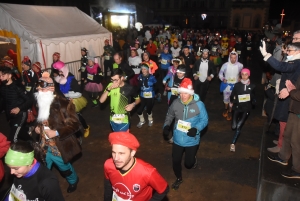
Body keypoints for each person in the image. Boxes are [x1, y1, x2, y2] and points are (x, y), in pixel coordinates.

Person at [34, 72, 80, 193]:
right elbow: (42, 119)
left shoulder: (64, 104)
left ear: (51, 88)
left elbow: (75, 124)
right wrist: (38, 128)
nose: (38, 89)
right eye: (38, 86)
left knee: (65, 168)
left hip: (58, 147)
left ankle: (74, 181)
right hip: (44, 145)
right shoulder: (41, 101)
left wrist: (57, 133)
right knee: (43, 168)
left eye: (41, 87)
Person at [163, 78, 208, 190]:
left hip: (191, 139)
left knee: (189, 164)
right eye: (181, 93)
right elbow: (169, 115)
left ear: (191, 93)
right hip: (178, 138)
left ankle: (193, 159)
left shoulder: (199, 105)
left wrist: (196, 129)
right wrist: (166, 126)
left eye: (186, 93)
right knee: (176, 160)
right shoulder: (175, 103)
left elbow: (204, 120)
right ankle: (179, 178)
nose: (183, 95)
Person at [104, 131, 169, 201]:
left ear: (132, 153)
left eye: (121, 153)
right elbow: (108, 187)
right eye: (114, 152)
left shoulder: (147, 172)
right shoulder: (108, 165)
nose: (116, 158)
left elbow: (164, 189)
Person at [267, 77, 300, 179]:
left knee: (296, 141)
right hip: (295, 109)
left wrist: (291, 90)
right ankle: (283, 157)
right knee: (287, 134)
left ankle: (297, 169)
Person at [52, 61, 90, 138]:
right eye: (58, 71)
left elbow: (79, 93)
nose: (60, 73)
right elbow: (59, 86)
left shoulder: (72, 79)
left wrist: (68, 95)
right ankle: (73, 132)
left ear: (64, 70)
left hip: (73, 100)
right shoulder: (61, 78)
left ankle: (86, 127)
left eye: (61, 71)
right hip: (64, 101)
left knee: (77, 116)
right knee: (67, 117)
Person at [0, 67, 33, 142]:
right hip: (10, 116)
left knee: (12, 138)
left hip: (20, 114)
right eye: (0, 76)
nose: (1, 78)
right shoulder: (2, 88)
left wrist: (19, 108)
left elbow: (29, 100)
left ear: (9, 75)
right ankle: (33, 144)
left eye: (3, 76)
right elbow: (3, 102)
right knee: (21, 133)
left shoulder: (17, 87)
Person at [229, 68, 255, 152]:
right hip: (237, 107)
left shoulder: (252, 86)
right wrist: (232, 101)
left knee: (239, 126)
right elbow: (232, 95)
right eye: (242, 74)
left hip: (246, 108)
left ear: (249, 75)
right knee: (234, 126)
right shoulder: (237, 85)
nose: (244, 76)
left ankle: (233, 143)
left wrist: (253, 101)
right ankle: (234, 124)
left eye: (246, 74)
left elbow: (254, 98)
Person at [219, 51, 243, 121]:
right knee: (226, 99)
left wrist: (240, 78)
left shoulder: (240, 65)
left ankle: (230, 111)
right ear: (229, 57)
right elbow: (220, 74)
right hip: (227, 86)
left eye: (234, 58)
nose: (233, 59)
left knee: (232, 100)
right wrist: (223, 79)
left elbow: (243, 74)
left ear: (236, 58)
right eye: (231, 58)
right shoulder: (225, 65)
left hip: (235, 86)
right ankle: (225, 109)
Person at [136, 63, 157, 128]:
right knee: (139, 110)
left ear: (147, 70)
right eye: (142, 69)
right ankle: (142, 120)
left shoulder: (152, 77)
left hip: (150, 96)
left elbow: (156, 86)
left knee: (148, 110)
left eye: (145, 69)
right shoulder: (140, 77)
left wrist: (154, 93)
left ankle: (150, 119)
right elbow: (138, 86)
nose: (143, 70)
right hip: (142, 96)